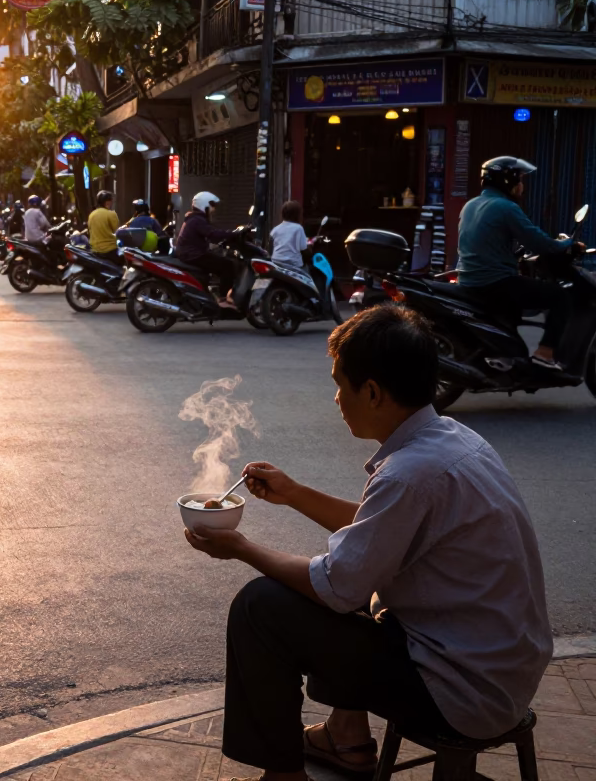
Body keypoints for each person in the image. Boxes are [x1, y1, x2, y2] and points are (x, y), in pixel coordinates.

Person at [184, 305, 552, 781]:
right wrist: (293, 494)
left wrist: (242, 548)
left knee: (263, 607)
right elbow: (380, 534)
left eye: (341, 384)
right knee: (356, 593)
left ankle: (284, 775)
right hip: (499, 671)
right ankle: (347, 739)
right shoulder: (453, 440)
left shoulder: (408, 473)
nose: (337, 399)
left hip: (460, 691)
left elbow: (337, 585)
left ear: (373, 392)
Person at [458, 156, 584, 370]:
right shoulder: (506, 208)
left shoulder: (471, 205)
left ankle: (507, 354)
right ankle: (545, 353)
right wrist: (570, 244)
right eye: (520, 179)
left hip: (469, 280)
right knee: (560, 297)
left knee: (515, 303)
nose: (522, 186)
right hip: (494, 282)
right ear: (507, 180)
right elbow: (540, 242)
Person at [173, 191, 237, 309]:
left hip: (190, 253)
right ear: (205, 205)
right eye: (212, 206)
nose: (213, 209)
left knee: (219, 261)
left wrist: (226, 235)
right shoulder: (197, 220)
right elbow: (212, 234)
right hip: (193, 254)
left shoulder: (195, 219)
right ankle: (223, 298)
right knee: (227, 266)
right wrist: (232, 234)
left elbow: (212, 233)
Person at [23, 194, 66, 266]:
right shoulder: (37, 211)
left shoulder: (26, 212)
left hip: (28, 238)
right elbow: (45, 224)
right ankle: (53, 264)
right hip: (38, 237)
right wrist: (50, 228)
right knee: (54, 242)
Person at [270, 200, 310, 273]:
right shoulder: (298, 228)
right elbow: (303, 249)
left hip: (276, 262)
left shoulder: (275, 229)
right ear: (298, 214)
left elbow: (271, 247)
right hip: (293, 264)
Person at [88, 190, 121, 265]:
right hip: (110, 250)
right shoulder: (111, 214)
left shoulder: (91, 215)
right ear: (107, 202)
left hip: (95, 250)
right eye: (111, 201)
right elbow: (117, 231)